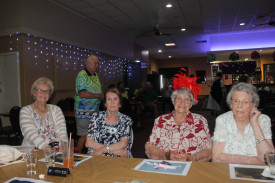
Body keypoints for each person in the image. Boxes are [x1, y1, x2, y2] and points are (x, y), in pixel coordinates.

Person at [145, 70, 212, 161]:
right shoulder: (161, 120)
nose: (182, 103)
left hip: (192, 168)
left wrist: (192, 157)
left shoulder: (200, 120)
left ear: (191, 103)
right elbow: (149, 148)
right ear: (173, 101)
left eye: (187, 99)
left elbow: (209, 151)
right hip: (166, 166)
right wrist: (167, 155)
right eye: (178, 99)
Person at [212, 82, 274, 164]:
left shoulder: (263, 120)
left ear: (254, 105)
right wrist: (253, 160)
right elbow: (216, 158)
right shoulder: (223, 120)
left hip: (257, 173)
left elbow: (268, 158)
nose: (239, 106)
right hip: (226, 171)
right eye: (236, 101)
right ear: (230, 104)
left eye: (245, 102)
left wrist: (255, 123)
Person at [20, 77, 68, 150]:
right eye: (40, 90)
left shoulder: (56, 109)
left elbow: (62, 133)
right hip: (34, 151)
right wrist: (47, 149)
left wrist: (63, 146)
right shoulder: (25, 111)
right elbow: (31, 135)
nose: (43, 94)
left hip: (57, 149)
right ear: (34, 92)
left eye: (46, 91)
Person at [85, 88, 133, 157]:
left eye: (115, 99)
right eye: (109, 99)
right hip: (98, 156)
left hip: (118, 157)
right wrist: (113, 150)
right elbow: (88, 143)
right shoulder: (96, 117)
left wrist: (102, 150)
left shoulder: (126, 120)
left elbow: (123, 143)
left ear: (119, 103)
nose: (112, 102)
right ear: (105, 104)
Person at [74, 55, 104, 153]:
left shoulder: (95, 75)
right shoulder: (82, 75)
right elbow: (82, 94)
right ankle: (77, 156)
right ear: (87, 63)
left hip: (94, 111)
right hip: (84, 112)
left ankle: (92, 155)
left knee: (93, 135)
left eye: (97, 63)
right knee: (84, 135)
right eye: (94, 63)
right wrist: (98, 95)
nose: (97, 65)